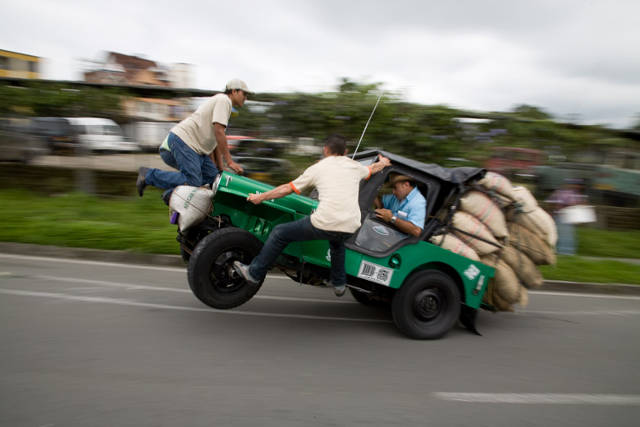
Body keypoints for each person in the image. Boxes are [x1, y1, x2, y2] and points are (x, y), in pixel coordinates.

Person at [232, 135, 391, 296]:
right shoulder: (355, 166)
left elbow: (288, 188)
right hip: (351, 225)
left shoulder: (318, 168)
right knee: (337, 242)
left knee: (280, 232)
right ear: (346, 152)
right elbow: (373, 169)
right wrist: (383, 162)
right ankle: (339, 283)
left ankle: (254, 273)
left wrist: (260, 197)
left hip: (326, 222)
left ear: (325, 150)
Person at [136, 78, 249, 203]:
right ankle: (148, 175)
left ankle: (170, 195)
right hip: (183, 142)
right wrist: (230, 162)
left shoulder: (223, 106)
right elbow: (219, 132)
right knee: (192, 181)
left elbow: (215, 142)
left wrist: (220, 169)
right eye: (244, 93)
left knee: (214, 179)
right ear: (234, 91)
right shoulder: (224, 100)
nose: (246, 97)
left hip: (195, 150)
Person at [547, 178, 586, 255]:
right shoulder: (563, 193)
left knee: (567, 235)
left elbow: (551, 202)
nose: (578, 186)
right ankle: (564, 252)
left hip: (568, 217)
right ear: (570, 184)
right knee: (564, 235)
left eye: (579, 185)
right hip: (561, 216)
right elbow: (553, 203)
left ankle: (565, 252)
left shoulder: (575, 194)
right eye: (576, 184)